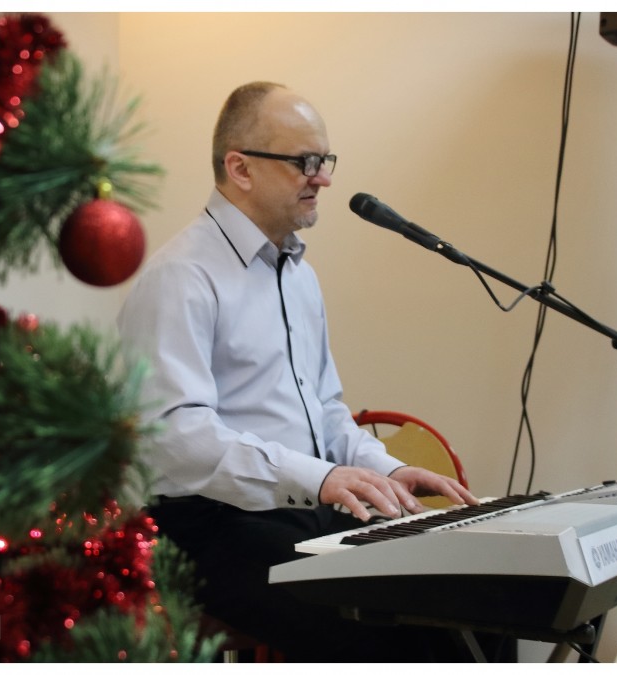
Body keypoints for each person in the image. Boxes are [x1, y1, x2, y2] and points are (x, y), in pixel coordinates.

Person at [116, 82, 485, 662]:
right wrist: (319, 477)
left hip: (299, 511)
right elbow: (174, 437)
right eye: (305, 162)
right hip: (210, 528)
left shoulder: (297, 274)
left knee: (478, 603)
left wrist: (388, 469)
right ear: (240, 168)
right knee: (395, 629)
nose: (324, 179)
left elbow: (326, 412)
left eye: (326, 160)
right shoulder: (181, 277)